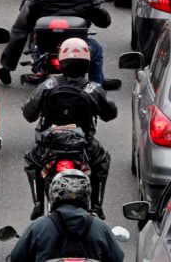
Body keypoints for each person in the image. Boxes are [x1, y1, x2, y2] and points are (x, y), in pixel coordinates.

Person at [22, 38, 117, 219]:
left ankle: (38, 205)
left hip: (49, 147)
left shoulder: (48, 85)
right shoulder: (93, 89)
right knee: (103, 159)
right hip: (84, 147)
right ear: (87, 63)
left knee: (31, 160)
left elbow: (28, 114)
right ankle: (97, 206)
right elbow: (110, 115)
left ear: (62, 61)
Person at [0, 0, 110, 85]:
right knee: (97, 51)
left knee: (38, 50)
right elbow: (104, 21)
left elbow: (30, 18)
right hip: (77, 48)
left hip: (46, 48)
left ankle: (39, 75)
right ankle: (97, 87)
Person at [10, 169, 124, 262]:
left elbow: (17, 257)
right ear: (87, 194)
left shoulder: (39, 226)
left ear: (53, 193)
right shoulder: (100, 226)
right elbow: (117, 258)